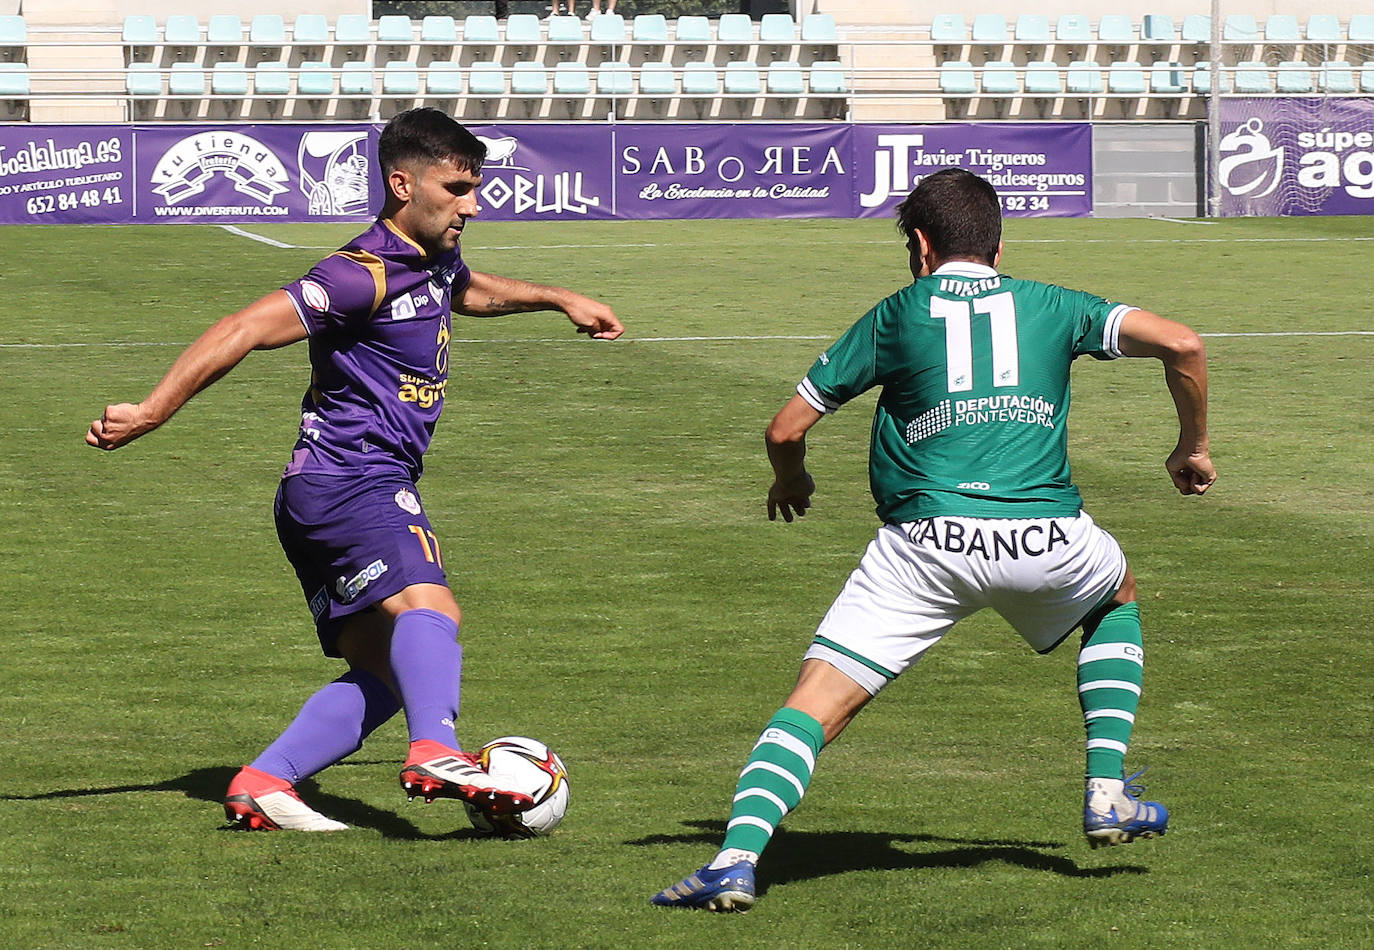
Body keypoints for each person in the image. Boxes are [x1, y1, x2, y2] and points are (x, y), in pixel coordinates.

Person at [651, 167, 1215, 911]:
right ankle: (1107, 790)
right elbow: (1182, 343)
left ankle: (733, 860)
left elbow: (785, 427)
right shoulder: (1054, 304)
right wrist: (1191, 448)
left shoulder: (896, 314)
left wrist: (792, 480)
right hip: (1049, 539)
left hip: (926, 547)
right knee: (1116, 596)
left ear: (919, 245)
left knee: (819, 702)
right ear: (1000, 243)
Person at [86, 108, 624, 832]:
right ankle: (436, 749)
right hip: (355, 481)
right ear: (403, 183)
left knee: (388, 671)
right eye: (457, 187)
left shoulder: (429, 260)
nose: (472, 203)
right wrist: (153, 410)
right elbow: (244, 328)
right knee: (431, 611)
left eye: (476, 186)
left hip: (316, 494)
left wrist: (559, 298)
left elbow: (464, 290)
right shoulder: (358, 272)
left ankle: (263, 782)